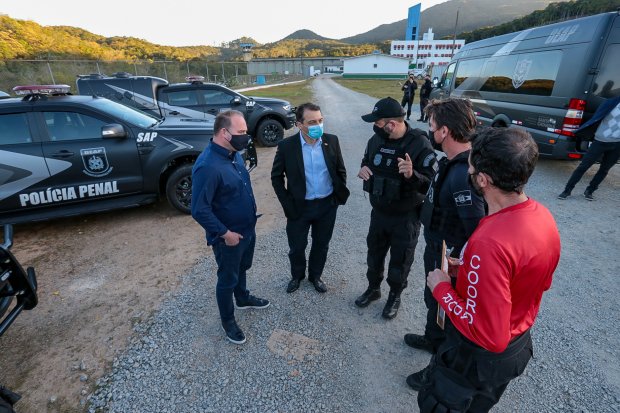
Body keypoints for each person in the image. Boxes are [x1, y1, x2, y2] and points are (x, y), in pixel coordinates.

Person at [417, 127, 561, 413]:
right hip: (516, 344)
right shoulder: (541, 215)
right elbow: (533, 282)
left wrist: (442, 288)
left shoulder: (490, 241)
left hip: (475, 360)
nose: (467, 169)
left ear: (483, 179)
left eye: (471, 165)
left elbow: (489, 336)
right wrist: (471, 271)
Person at [404, 98, 486, 389]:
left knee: (447, 313)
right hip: (435, 245)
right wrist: (414, 175)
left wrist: (455, 263)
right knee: (433, 301)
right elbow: (437, 196)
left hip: (448, 256)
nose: (430, 131)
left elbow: (476, 229)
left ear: (445, 132)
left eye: (432, 126)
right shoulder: (450, 162)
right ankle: (431, 338)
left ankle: (437, 371)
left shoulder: (465, 174)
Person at [191, 110, 270, 345]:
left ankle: (243, 298)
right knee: (227, 278)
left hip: (247, 228)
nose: (246, 137)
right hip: (229, 237)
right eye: (241, 132)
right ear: (224, 133)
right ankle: (228, 321)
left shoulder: (233, 154)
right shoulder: (207, 166)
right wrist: (225, 234)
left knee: (242, 267)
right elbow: (199, 210)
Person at [356, 97, 437, 319]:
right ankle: (373, 289)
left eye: (378, 123)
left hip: (406, 217)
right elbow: (366, 160)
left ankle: (394, 295)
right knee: (374, 255)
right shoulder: (375, 140)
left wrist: (413, 174)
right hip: (379, 213)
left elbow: (432, 183)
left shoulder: (419, 144)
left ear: (391, 124)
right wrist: (363, 168)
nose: (375, 127)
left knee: (400, 261)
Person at [271, 103, 350, 294]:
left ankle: (316, 276)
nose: (318, 125)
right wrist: (287, 204)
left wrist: (336, 198)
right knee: (297, 247)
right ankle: (297, 276)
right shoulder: (286, 146)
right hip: (299, 207)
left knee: (321, 244)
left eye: (321, 120)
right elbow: (276, 177)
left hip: (326, 205)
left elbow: (340, 170)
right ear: (299, 124)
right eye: (312, 122)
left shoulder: (331, 141)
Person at [558, 96, 620, 201]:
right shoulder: (611, 102)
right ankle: (567, 190)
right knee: (583, 166)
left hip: (617, 144)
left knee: (604, 170)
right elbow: (596, 117)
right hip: (600, 141)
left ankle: (590, 191)